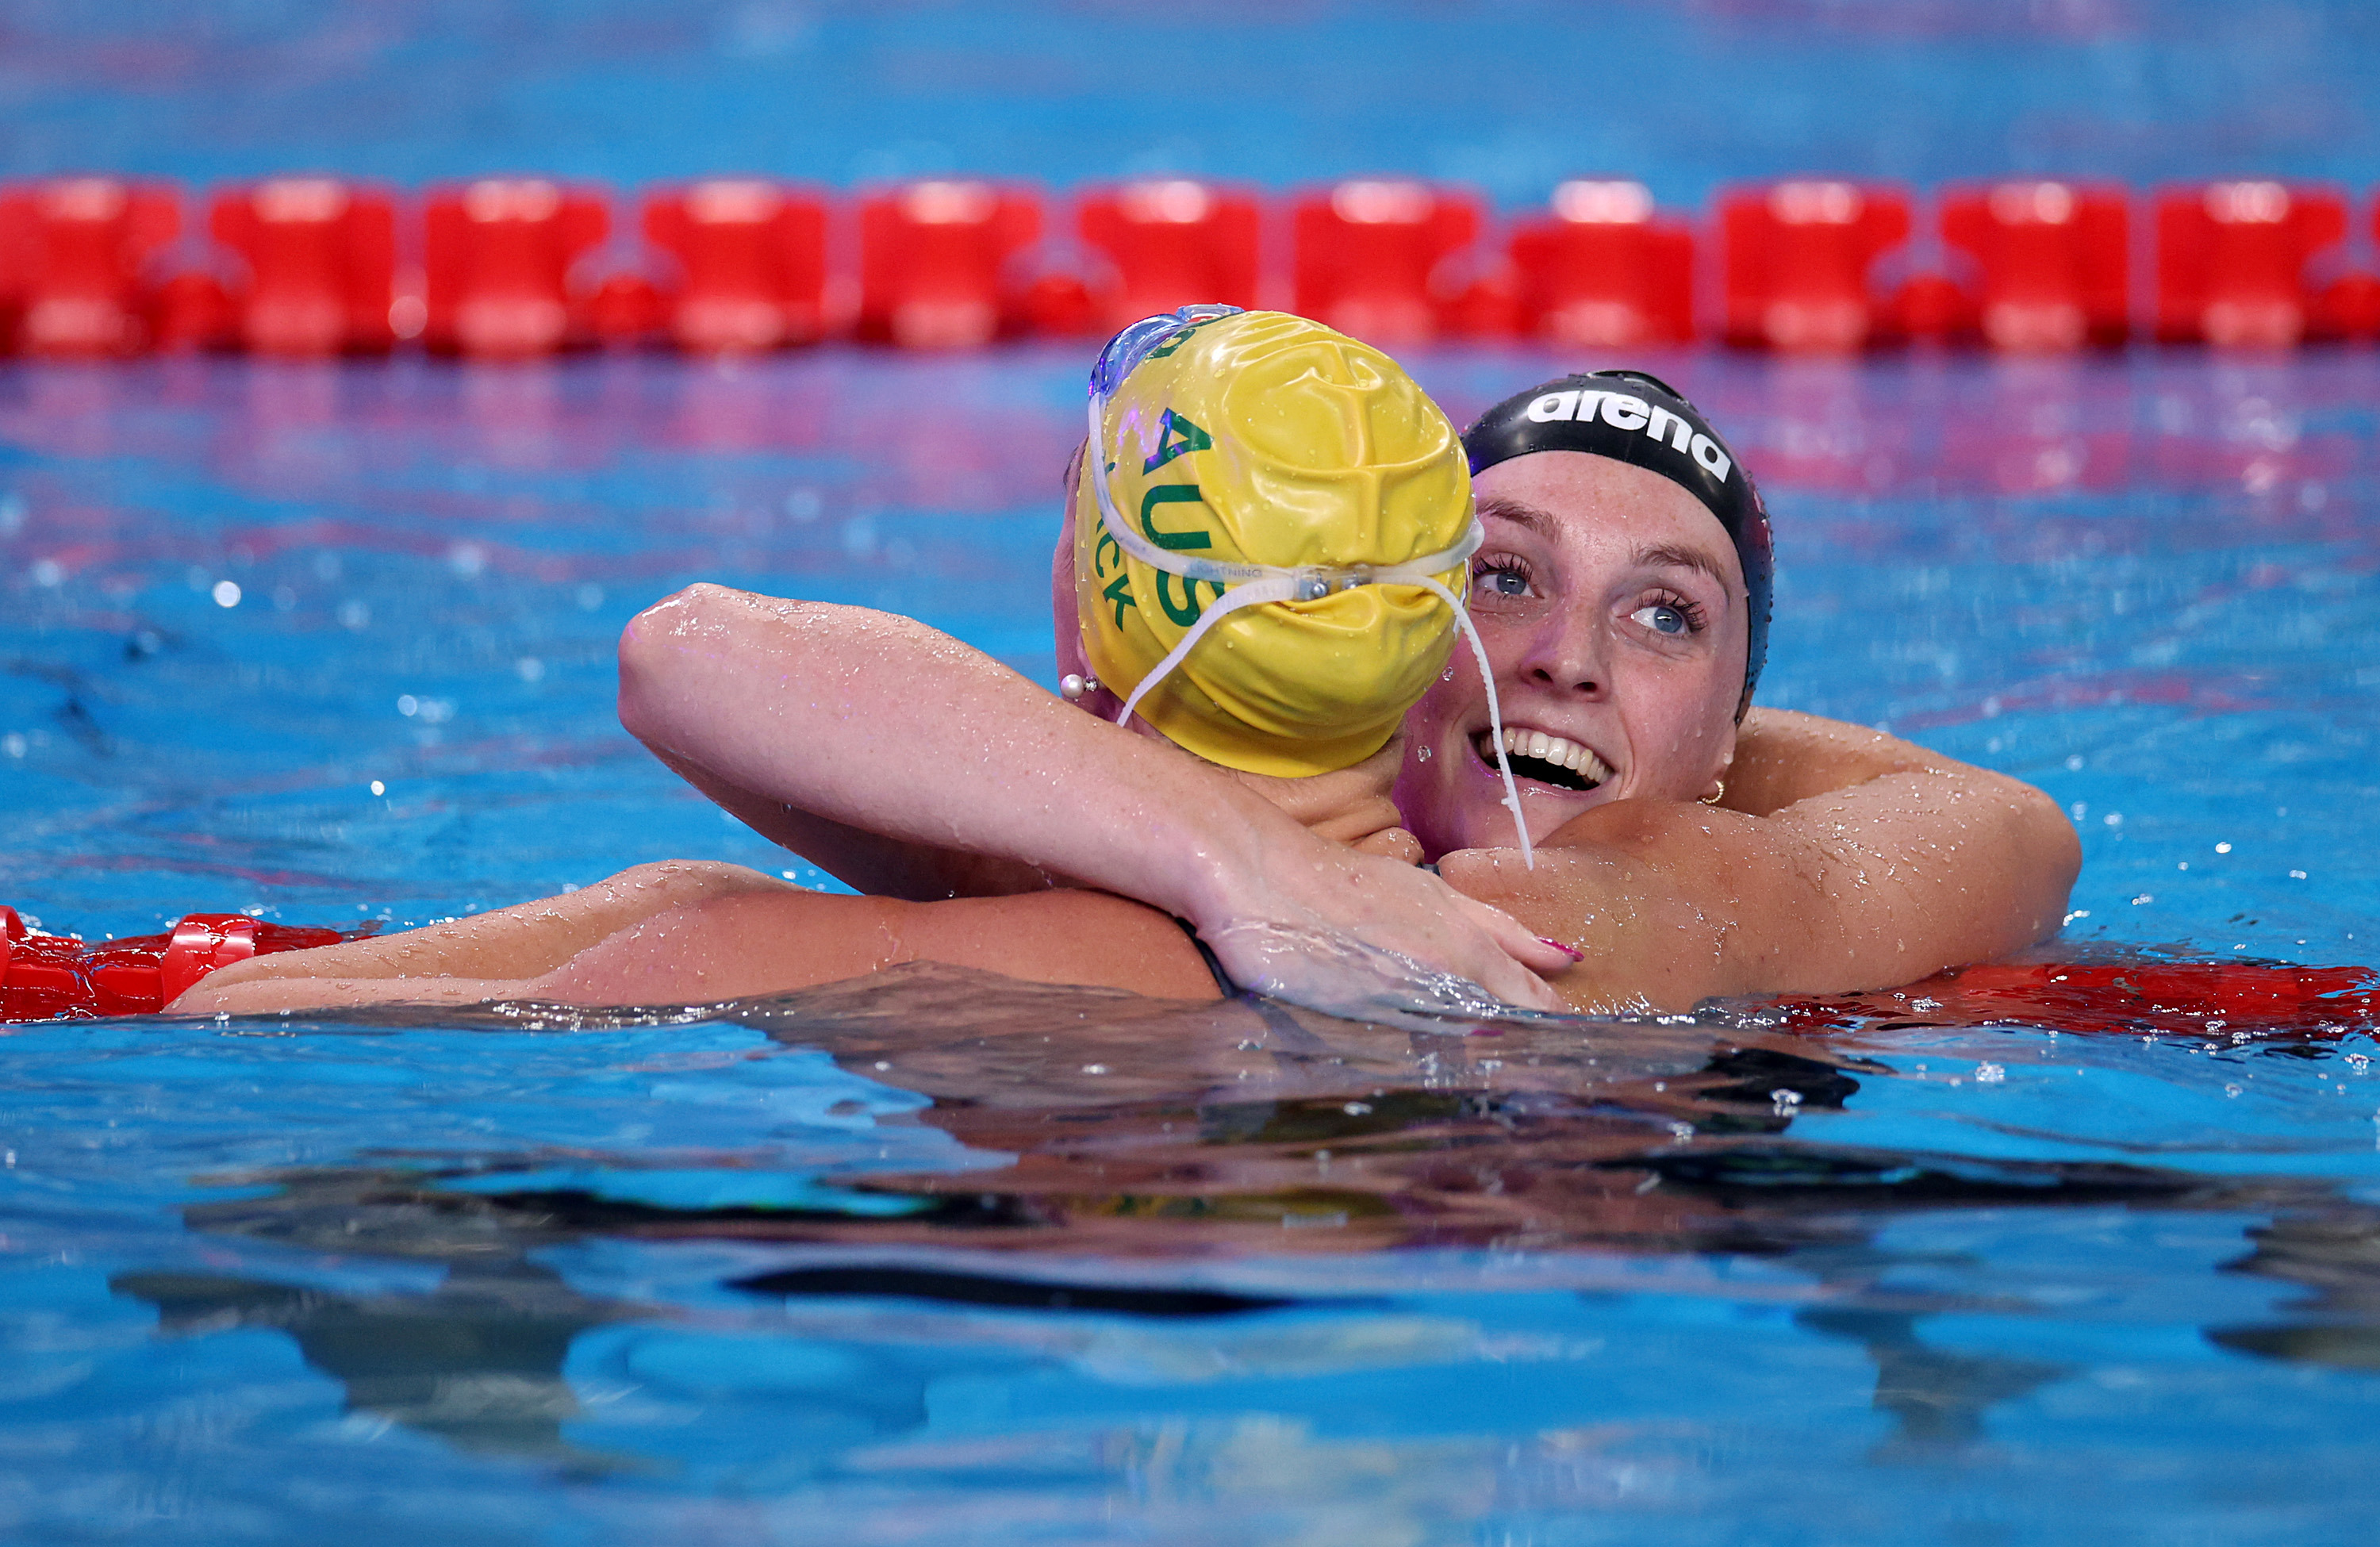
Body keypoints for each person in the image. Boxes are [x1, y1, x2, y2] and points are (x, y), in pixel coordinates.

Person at [179, 322, 2080, 1020]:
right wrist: (1243, 851)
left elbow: (2011, 830)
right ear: (1392, 619)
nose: (1564, 660)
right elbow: (692, 662)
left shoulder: (1666, 906)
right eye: (1496, 579)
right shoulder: (1162, 860)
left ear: (1743, 737)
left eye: (1666, 617)